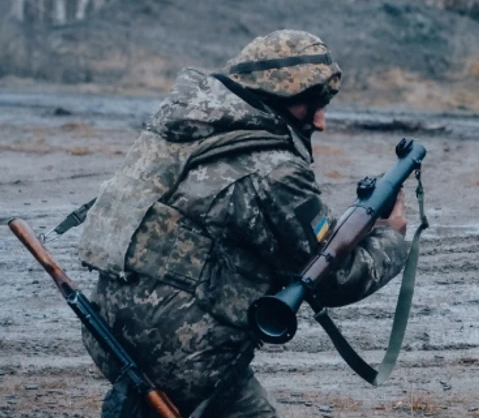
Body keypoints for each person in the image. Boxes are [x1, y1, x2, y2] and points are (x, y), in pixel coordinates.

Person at [77, 30, 411, 417]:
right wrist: (392, 236)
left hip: (108, 335)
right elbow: (332, 279)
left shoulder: (186, 127)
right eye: (312, 105)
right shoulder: (274, 171)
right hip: (188, 360)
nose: (321, 121)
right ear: (278, 98)